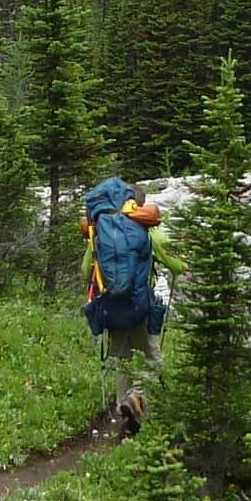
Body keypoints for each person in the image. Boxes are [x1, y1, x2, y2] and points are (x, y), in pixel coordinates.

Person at [81, 180, 170, 431]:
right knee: (151, 357)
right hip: (140, 305)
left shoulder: (99, 232)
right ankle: (138, 397)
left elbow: (84, 269)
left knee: (122, 358)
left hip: (111, 307)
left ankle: (124, 408)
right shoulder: (147, 231)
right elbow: (176, 265)